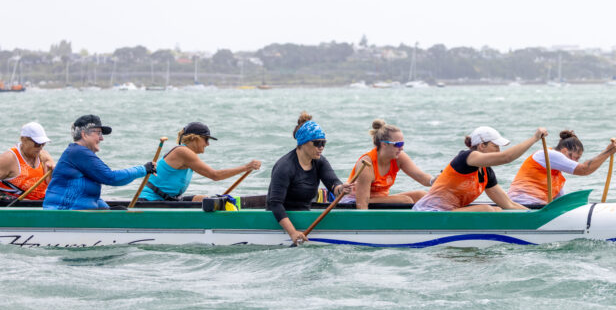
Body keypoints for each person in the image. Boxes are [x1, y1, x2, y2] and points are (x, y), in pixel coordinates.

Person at [413, 126, 548, 212]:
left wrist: (534, 215)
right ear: (482, 146)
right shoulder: (467, 157)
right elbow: (506, 157)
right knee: (487, 210)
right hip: (429, 212)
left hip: (450, 214)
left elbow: (508, 204)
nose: (499, 150)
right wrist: (534, 138)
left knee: (498, 210)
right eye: (495, 146)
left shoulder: (486, 172)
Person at [266, 112, 353, 243]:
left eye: (324, 143)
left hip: (305, 216)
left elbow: (333, 183)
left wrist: (341, 189)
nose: (321, 147)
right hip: (282, 220)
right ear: (303, 143)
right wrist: (293, 232)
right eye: (317, 143)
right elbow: (275, 204)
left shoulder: (319, 161)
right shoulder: (285, 167)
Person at [43, 115, 155, 210]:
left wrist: (107, 210)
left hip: (74, 215)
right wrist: (143, 169)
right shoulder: (78, 152)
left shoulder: (77, 153)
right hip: (61, 215)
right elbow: (112, 178)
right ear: (84, 134)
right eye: (99, 133)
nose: (102, 139)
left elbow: (90, 196)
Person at [138, 122, 261, 202]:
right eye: (206, 139)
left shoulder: (188, 155)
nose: (208, 144)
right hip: (149, 201)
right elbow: (215, 175)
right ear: (194, 138)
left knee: (205, 199)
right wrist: (246, 167)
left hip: (169, 200)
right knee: (208, 202)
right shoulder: (182, 152)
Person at [508, 130, 616, 206]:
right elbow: (584, 169)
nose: (575, 162)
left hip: (535, 207)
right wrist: (607, 152)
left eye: (578, 160)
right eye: (575, 157)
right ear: (564, 151)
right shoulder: (548, 154)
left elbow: (560, 203)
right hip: (523, 205)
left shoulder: (556, 176)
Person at [342, 119, 434, 209]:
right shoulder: (367, 164)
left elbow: (422, 178)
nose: (401, 148)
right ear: (384, 145)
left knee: (422, 196)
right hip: (355, 202)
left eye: (402, 144)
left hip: (377, 200)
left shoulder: (399, 157)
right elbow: (361, 204)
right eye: (398, 144)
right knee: (405, 201)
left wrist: (434, 181)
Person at [0, 122, 55, 201]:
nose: (40, 147)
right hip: (15, 206)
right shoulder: (8, 159)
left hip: (41, 203)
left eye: (43, 143)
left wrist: (53, 172)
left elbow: (52, 186)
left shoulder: (44, 156)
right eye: (37, 144)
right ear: (23, 139)